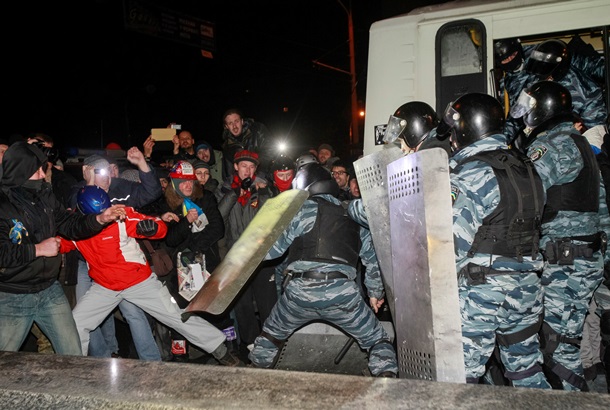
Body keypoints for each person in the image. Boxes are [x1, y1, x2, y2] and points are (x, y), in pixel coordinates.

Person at [248, 161, 398, 377]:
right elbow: (372, 259)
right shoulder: (353, 214)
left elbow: (272, 252)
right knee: (377, 340)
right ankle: (388, 382)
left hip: (299, 295)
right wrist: (375, 294)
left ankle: (252, 381)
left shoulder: (300, 210)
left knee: (270, 338)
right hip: (343, 297)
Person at [63, 185, 241, 366]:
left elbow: (156, 227)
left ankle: (221, 351)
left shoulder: (121, 214)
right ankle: (75, 369)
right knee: (77, 322)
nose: (107, 215)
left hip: (138, 282)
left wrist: (153, 228)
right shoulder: (75, 228)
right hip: (105, 286)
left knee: (176, 317)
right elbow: (58, 243)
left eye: (107, 210)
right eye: (102, 214)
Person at [442, 92, 550, 388]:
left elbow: (451, 246)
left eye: (453, 131)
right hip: (527, 286)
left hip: (482, 293)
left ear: (465, 129)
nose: (451, 139)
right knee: (527, 371)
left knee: (458, 379)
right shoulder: (527, 165)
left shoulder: (470, 173)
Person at [510, 80, 609, 390]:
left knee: (557, 345)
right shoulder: (579, 143)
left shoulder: (552, 147)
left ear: (542, 113)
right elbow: (602, 207)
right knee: (567, 341)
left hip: (567, 263)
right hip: (585, 258)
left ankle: (573, 400)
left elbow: (521, 192)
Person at [0, 141, 125, 355]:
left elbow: (69, 224)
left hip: (49, 290)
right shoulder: (3, 204)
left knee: (72, 355)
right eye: (36, 170)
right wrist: (38, 249)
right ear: (20, 171)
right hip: (14, 296)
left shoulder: (44, 196)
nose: (42, 174)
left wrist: (99, 219)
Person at [70, 148, 163, 360]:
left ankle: (152, 362)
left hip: (117, 265)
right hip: (86, 264)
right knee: (86, 317)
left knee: (133, 313)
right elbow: (71, 209)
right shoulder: (77, 190)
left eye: (108, 171)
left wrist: (142, 164)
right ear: (86, 172)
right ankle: (102, 359)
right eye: (98, 171)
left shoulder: (121, 187)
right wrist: (90, 183)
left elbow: (152, 192)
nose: (106, 177)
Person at [159, 160, 228, 361]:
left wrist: (195, 248)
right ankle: (180, 354)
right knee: (181, 311)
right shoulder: (167, 205)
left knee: (212, 307)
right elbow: (170, 239)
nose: (188, 186)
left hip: (207, 262)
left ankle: (221, 349)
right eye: (182, 182)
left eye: (190, 181)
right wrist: (186, 222)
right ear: (174, 184)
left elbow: (218, 228)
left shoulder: (205, 198)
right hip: (180, 270)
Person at [217, 150, 276, 362]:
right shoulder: (223, 189)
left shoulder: (261, 189)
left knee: (267, 302)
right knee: (242, 306)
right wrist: (234, 193)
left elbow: (271, 216)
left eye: (252, 168)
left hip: (261, 257)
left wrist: (263, 192)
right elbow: (218, 218)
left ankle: (271, 343)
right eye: (244, 167)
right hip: (236, 258)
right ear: (235, 167)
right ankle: (250, 344)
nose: (248, 171)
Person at [221, 108, 272, 178]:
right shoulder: (227, 148)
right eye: (230, 123)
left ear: (242, 121)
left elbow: (270, 151)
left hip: (266, 176)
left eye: (236, 121)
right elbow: (229, 173)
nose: (234, 126)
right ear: (226, 126)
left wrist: (259, 175)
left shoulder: (258, 130)